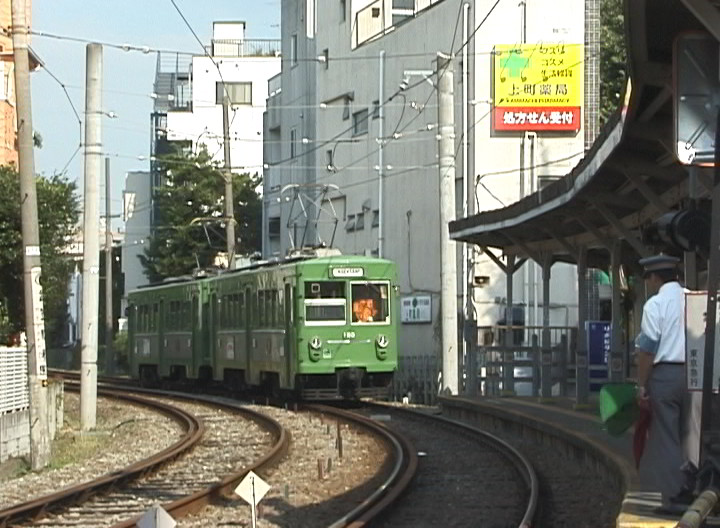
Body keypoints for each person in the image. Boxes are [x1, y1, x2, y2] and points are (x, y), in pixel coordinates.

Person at [634, 254, 699, 514]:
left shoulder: (655, 304)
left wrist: (641, 385)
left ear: (655, 278)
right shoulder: (695, 299)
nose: (648, 283)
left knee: (668, 438)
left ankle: (675, 497)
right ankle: (696, 490)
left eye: (648, 278)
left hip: (666, 376)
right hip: (696, 375)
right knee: (692, 434)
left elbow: (648, 350)